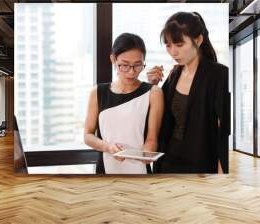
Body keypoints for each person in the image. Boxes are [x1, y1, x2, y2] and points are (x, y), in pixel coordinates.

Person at [147, 12, 230, 174]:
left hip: (201, 165)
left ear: (198, 40)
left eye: (179, 44)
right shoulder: (173, 76)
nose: (173, 52)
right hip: (167, 163)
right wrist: (153, 87)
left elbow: (224, 131)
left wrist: (222, 175)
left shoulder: (219, 75)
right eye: (168, 45)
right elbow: (157, 119)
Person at [84, 33, 164, 174]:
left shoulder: (154, 93)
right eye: (125, 66)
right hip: (105, 171)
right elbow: (88, 136)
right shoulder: (97, 92)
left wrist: (147, 154)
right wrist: (108, 147)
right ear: (113, 59)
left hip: (140, 173)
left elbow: (152, 139)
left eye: (138, 65)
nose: (132, 72)